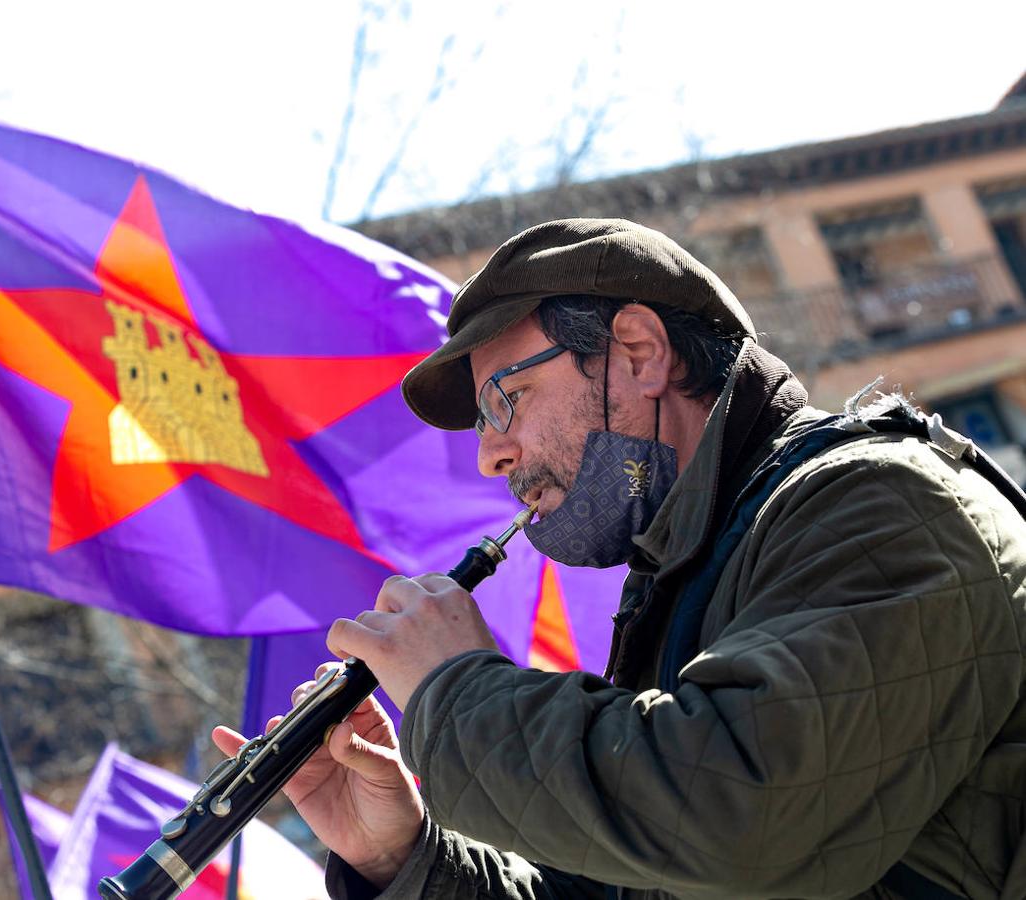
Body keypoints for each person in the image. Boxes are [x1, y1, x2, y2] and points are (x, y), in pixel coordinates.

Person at [214, 219, 1026, 899]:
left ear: (639, 353)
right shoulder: (694, 571)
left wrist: (454, 689)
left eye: (508, 400)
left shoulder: (879, 500)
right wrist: (403, 855)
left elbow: (735, 811)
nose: (493, 457)